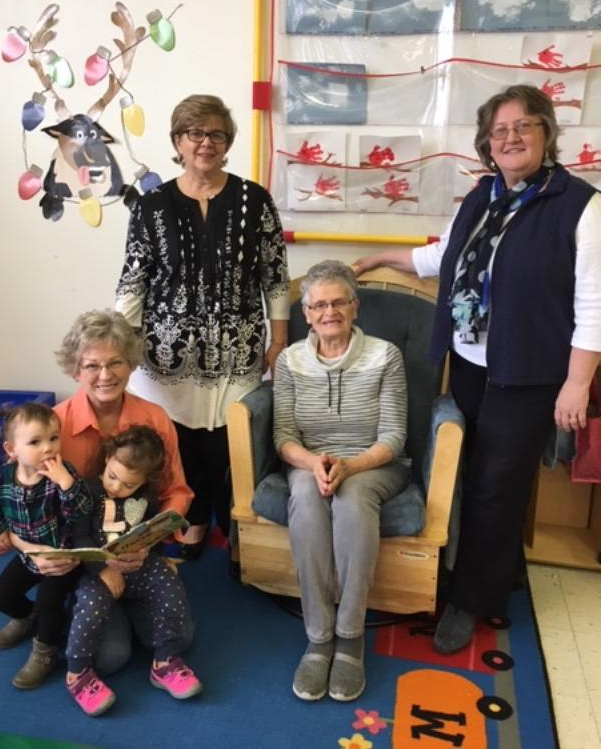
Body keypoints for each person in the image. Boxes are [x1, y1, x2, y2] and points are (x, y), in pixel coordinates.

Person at [353, 84, 601, 654]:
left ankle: (471, 601)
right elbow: (443, 255)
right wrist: (377, 259)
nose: (510, 138)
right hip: (469, 363)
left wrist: (577, 382)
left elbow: (592, 304)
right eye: (499, 130)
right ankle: (504, 567)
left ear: (546, 133)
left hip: (532, 373)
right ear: (488, 144)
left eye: (523, 126)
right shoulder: (483, 196)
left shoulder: (580, 205)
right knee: (477, 476)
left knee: (493, 486)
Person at [115, 94, 290, 559]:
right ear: (178, 140)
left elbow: (274, 276)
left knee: (233, 445)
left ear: (227, 141)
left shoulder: (256, 200)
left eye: (215, 133)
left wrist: (279, 339)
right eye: (195, 133)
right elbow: (134, 279)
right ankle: (192, 521)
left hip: (238, 349)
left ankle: (236, 528)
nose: (205, 143)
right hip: (168, 355)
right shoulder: (151, 205)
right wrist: (122, 344)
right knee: (182, 443)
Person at [273, 260, 411, 702]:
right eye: (318, 304)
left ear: (355, 306)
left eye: (338, 302)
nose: (329, 311)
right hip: (309, 462)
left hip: (374, 464)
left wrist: (351, 466)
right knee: (308, 499)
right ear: (307, 313)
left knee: (351, 500)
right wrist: (313, 463)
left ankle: (350, 634)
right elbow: (283, 436)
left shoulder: (385, 354)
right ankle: (318, 634)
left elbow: (394, 435)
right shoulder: (289, 360)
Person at [54, 308, 194, 674]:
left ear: (131, 364)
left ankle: (131, 600)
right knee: (110, 658)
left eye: (115, 362)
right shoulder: (57, 424)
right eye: (92, 366)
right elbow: (47, 510)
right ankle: (87, 605)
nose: (105, 375)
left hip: (140, 557)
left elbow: (176, 492)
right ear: (75, 370)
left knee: (180, 638)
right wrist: (94, 567)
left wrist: (147, 543)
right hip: (86, 564)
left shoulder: (155, 419)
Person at [66, 426, 200, 716]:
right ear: (106, 459)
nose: (116, 487)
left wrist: (156, 552)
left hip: (137, 566)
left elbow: (149, 532)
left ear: (144, 481)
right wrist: (103, 570)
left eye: (128, 485)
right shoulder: (88, 491)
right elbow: (80, 538)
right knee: (94, 614)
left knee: (171, 586)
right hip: (98, 571)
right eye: (113, 476)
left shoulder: (148, 497)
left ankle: (164, 662)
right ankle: (77, 673)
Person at [0, 402, 91, 689]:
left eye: (54, 438)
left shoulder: (63, 474)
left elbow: (82, 513)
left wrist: (66, 484)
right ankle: (26, 618)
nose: (48, 448)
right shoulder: (2, 477)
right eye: (35, 442)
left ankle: (45, 651)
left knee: (49, 604)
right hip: (29, 557)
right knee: (0, 596)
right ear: (11, 450)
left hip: (64, 560)